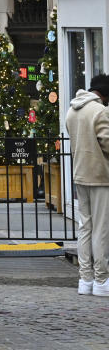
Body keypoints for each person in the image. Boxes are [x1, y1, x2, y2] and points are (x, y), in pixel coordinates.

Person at [66, 73, 109, 296]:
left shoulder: (72, 110)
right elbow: (107, 143)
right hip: (100, 176)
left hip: (79, 174)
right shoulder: (100, 111)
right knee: (101, 229)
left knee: (85, 228)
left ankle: (85, 279)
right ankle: (102, 280)